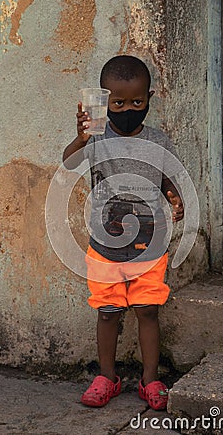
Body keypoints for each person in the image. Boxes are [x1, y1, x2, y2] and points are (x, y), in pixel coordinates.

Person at [63, 55, 184, 410]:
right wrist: (80, 137)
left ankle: (150, 380)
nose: (128, 108)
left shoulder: (158, 141)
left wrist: (177, 202)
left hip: (150, 245)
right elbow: (69, 164)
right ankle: (106, 377)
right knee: (108, 312)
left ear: (149, 98)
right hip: (105, 246)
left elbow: (169, 184)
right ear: (104, 101)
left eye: (137, 102)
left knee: (148, 310)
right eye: (118, 102)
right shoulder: (96, 139)